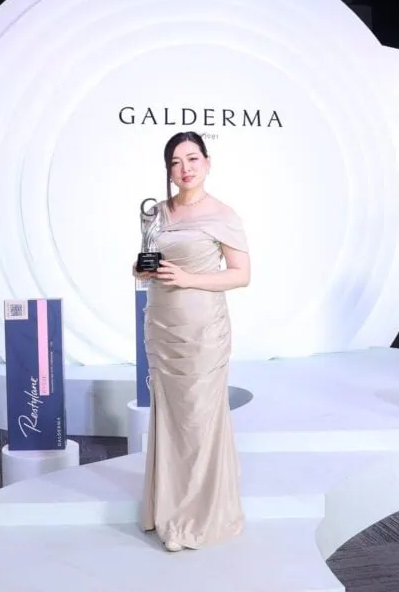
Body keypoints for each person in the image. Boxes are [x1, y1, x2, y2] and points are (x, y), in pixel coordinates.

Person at [133, 130, 252, 552]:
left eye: (192, 159)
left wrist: (189, 279)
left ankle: (198, 516)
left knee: (199, 420)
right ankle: (165, 508)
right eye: (176, 162)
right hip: (162, 325)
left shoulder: (223, 213)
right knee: (170, 417)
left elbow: (241, 274)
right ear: (168, 169)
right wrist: (142, 268)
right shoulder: (156, 212)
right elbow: (148, 260)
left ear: (207, 163)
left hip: (202, 330)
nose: (184, 168)